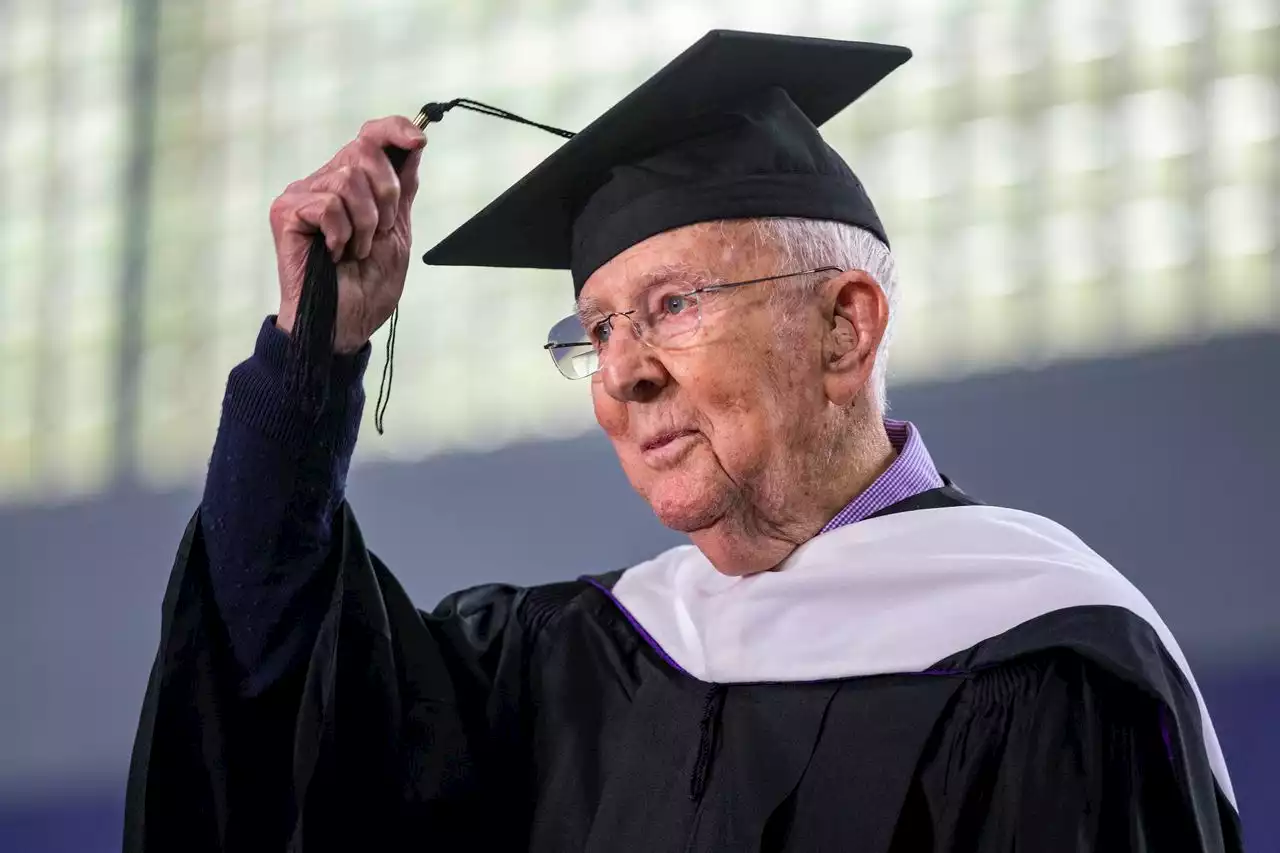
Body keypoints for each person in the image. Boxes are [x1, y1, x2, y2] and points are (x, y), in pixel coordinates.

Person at [125, 31, 1243, 852]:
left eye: (671, 306)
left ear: (843, 329)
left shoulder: (1041, 664)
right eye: (596, 329)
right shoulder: (569, 667)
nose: (621, 373)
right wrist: (311, 359)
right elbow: (274, 667)